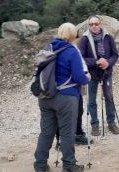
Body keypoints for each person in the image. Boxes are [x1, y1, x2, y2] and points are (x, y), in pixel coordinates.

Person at [34, 23, 90, 172]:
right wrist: (87, 77)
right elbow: (79, 77)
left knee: (46, 132)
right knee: (67, 132)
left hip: (45, 96)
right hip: (66, 97)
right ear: (73, 35)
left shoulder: (48, 47)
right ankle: (69, 165)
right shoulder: (71, 51)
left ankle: (40, 165)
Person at [78, 16, 119, 136]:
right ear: (88, 26)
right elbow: (81, 58)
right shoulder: (84, 39)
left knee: (109, 97)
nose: (94, 26)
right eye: (91, 24)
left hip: (106, 73)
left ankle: (111, 123)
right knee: (91, 100)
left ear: (100, 24)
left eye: (96, 24)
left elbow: (115, 55)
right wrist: (96, 62)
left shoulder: (108, 37)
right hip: (91, 75)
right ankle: (94, 125)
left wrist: (108, 62)